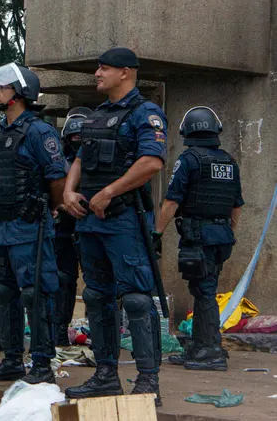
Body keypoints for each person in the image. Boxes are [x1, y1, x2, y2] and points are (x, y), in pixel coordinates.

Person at [63, 47, 167, 405]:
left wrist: (109, 191)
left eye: (104, 68)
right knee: (96, 296)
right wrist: (68, 189)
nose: (97, 73)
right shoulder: (98, 114)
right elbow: (80, 157)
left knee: (136, 300)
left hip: (123, 219)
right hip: (90, 220)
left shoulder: (145, 112)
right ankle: (106, 374)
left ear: (125, 72)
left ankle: (148, 382)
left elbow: (152, 162)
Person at [0, 63, 67, 384]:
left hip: (30, 227)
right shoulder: (3, 135)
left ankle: (42, 363)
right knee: (3, 292)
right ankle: (12, 359)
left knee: (35, 293)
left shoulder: (39, 132)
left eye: (2, 87)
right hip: (1, 228)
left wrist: (49, 209)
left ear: (19, 94)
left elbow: (58, 178)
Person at [155, 106, 242, 371]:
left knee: (204, 291)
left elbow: (171, 202)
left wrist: (156, 233)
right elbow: (237, 204)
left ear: (186, 131)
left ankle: (211, 351)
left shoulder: (189, 160)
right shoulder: (228, 160)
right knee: (205, 288)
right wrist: (228, 232)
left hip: (198, 236)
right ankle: (202, 343)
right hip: (221, 236)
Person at [53, 107, 93, 346]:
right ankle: (59, 330)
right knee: (62, 282)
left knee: (97, 285)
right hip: (65, 230)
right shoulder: (59, 164)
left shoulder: (97, 163)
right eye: (73, 139)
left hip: (91, 228)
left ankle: (98, 333)